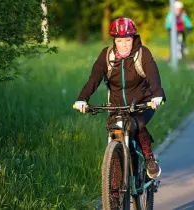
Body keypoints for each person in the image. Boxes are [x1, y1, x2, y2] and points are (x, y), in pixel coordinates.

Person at [73, 17, 165, 180]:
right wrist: (82, 99)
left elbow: (153, 76)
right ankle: (114, 196)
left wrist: (158, 95)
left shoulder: (142, 54)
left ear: (133, 39)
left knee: (134, 125)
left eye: (127, 40)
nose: (124, 44)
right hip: (116, 106)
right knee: (115, 135)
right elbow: (94, 79)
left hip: (143, 103)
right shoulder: (106, 55)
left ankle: (149, 158)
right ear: (114, 41)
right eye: (120, 40)